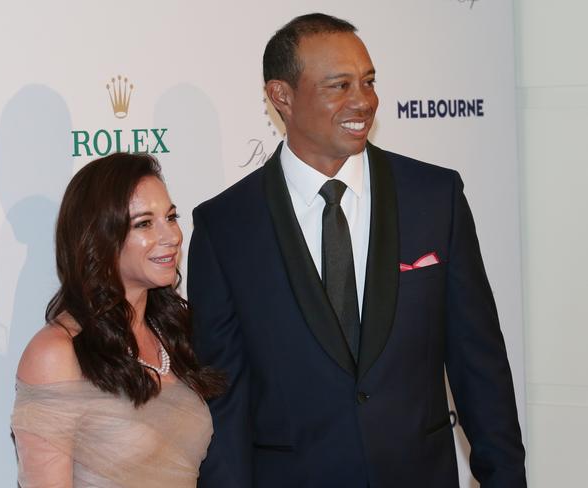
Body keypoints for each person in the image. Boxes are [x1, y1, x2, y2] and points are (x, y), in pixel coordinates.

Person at [188, 13, 526, 488]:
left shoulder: (434, 197)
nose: (363, 101)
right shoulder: (225, 226)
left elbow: (480, 366)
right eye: (339, 85)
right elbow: (223, 400)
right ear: (281, 96)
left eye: (368, 82)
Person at [11, 152, 224, 488]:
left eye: (171, 217)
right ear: (99, 238)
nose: (171, 236)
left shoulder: (172, 332)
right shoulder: (56, 354)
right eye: (144, 223)